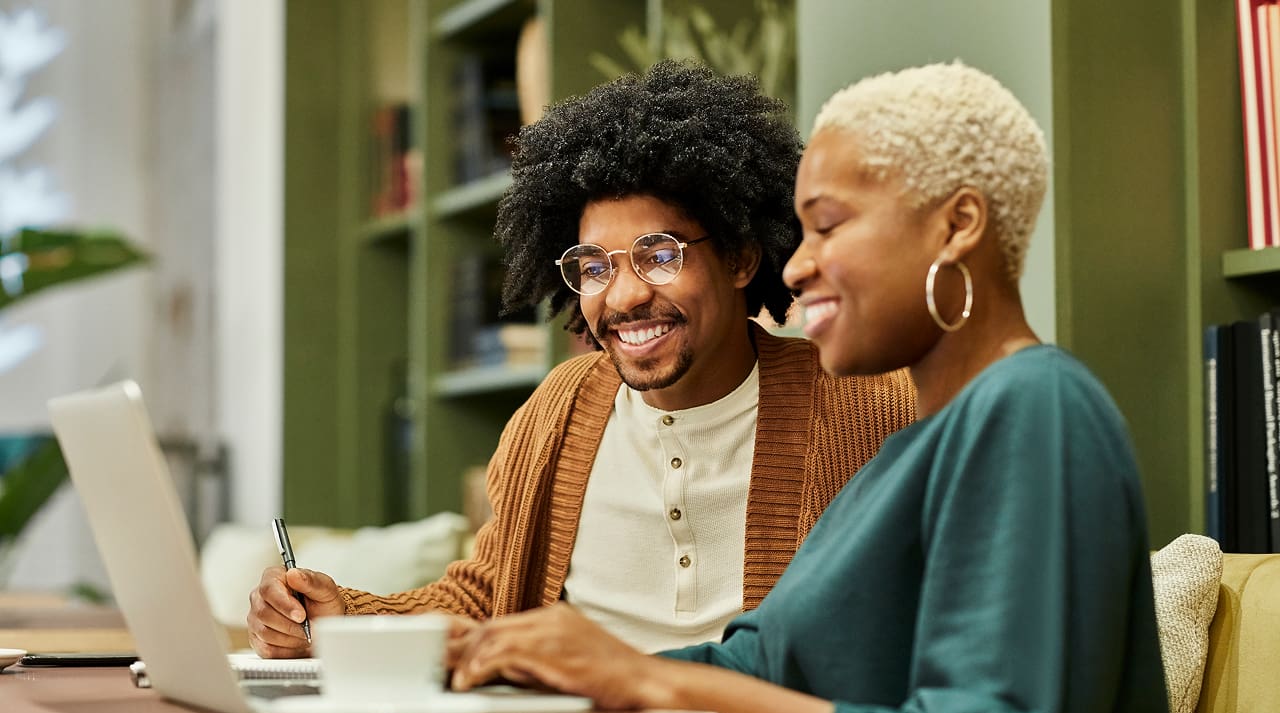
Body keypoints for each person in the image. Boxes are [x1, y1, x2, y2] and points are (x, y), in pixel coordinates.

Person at [446, 62, 1171, 713]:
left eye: (826, 227)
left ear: (958, 226)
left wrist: (654, 684)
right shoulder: (907, 457)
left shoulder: (1033, 404)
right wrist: (545, 664)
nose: (795, 268)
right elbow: (751, 667)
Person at [247, 60, 917, 659]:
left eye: (660, 255)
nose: (623, 296)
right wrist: (345, 618)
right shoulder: (559, 409)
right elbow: (488, 596)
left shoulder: (870, 408)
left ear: (741, 258)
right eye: (594, 266)